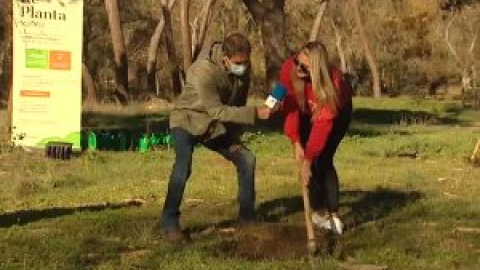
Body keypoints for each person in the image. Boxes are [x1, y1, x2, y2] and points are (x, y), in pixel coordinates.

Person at [160, 32, 271, 242]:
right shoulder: (202, 71)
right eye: (238, 63)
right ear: (225, 58)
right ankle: (169, 223)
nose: (243, 67)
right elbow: (218, 111)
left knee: (247, 160)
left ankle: (247, 221)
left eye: (246, 62)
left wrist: (235, 136)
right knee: (183, 165)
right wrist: (256, 113)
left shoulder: (243, 70)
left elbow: (237, 105)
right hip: (187, 121)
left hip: (213, 127)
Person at [278, 41, 353, 235]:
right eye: (297, 62)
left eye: (304, 67)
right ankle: (317, 211)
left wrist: (308, 160)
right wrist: (295, 141)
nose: (298, 68)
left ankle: (333, 214)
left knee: (322, 159)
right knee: (307, 158)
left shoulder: (333, 85)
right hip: (305, 109)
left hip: (337, 113)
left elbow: (322, 126)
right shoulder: (290, 67)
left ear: (316, 70)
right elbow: (287, 104)